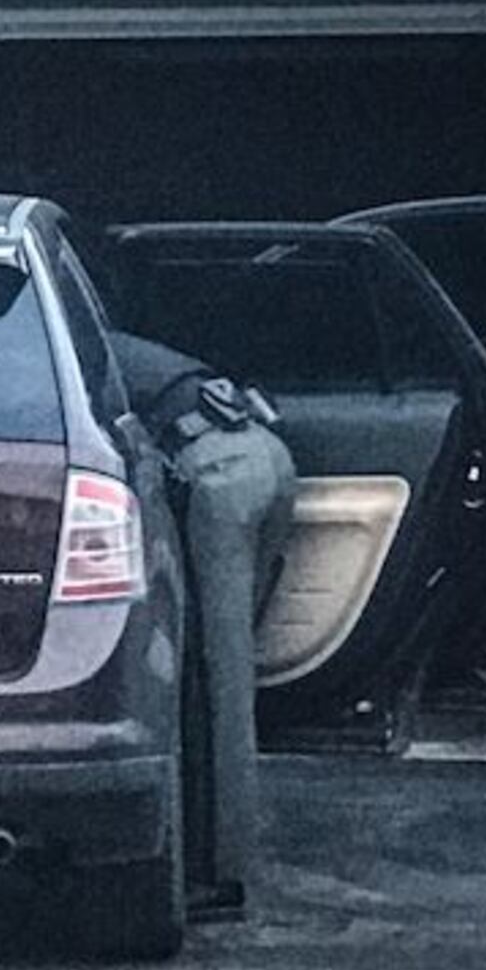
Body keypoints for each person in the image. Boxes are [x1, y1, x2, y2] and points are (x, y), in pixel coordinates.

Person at [107, 331, 297, 914]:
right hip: (263, 452)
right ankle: (226, 855)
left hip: (214, 476)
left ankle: (216, 875)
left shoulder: (57, 343)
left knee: (210, 687)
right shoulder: (112, 336)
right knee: (231, 668)